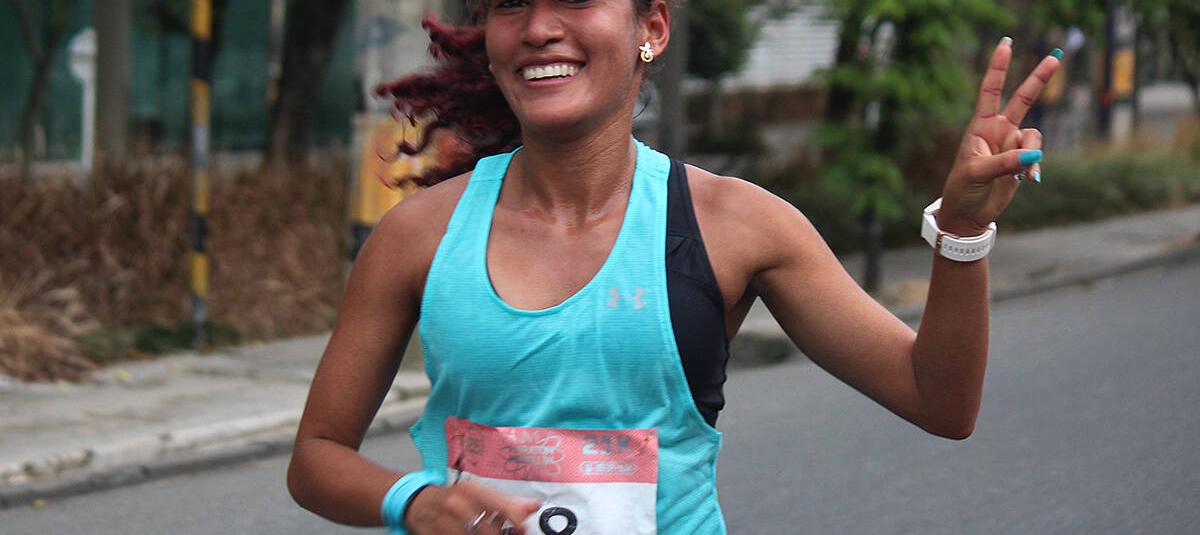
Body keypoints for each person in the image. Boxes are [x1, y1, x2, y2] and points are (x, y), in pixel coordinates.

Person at [286, 1, 1062, 534]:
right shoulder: (419, 233)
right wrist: (414, 500)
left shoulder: (735, 224)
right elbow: (316, 455)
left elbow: (939, 399)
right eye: (512, 3)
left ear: (651, 27)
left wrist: (962, 231)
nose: (540, 28)